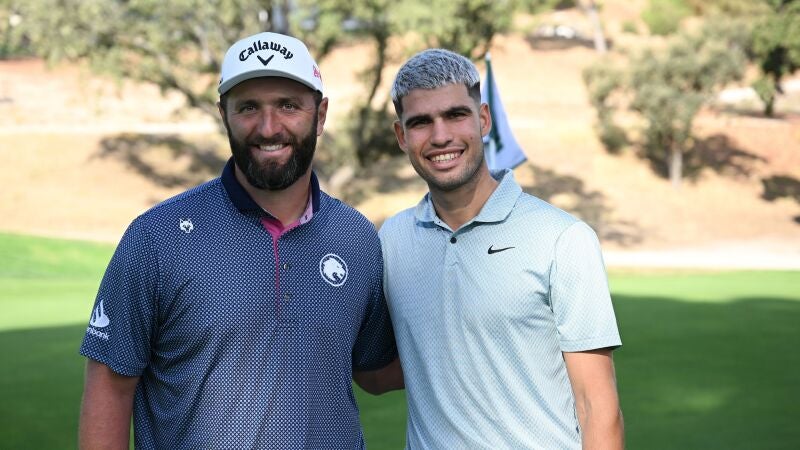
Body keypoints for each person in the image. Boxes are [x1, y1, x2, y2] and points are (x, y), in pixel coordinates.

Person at [78, 31, 400, 450]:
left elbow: (374, 370)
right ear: (223, 115)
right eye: (248, 107)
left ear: (320, 115)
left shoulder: (356, 236)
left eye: (288, 105)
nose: (269, 128)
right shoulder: (157, 238)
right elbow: (110, 386)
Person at [380, 48, 624, 449]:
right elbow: (380, 374)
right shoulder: (391, 240)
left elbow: (597, 408)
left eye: (456, 115)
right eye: (421, 122)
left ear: (483, 119)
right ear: (402, 136)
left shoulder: (562, 238)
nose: (440, 136)